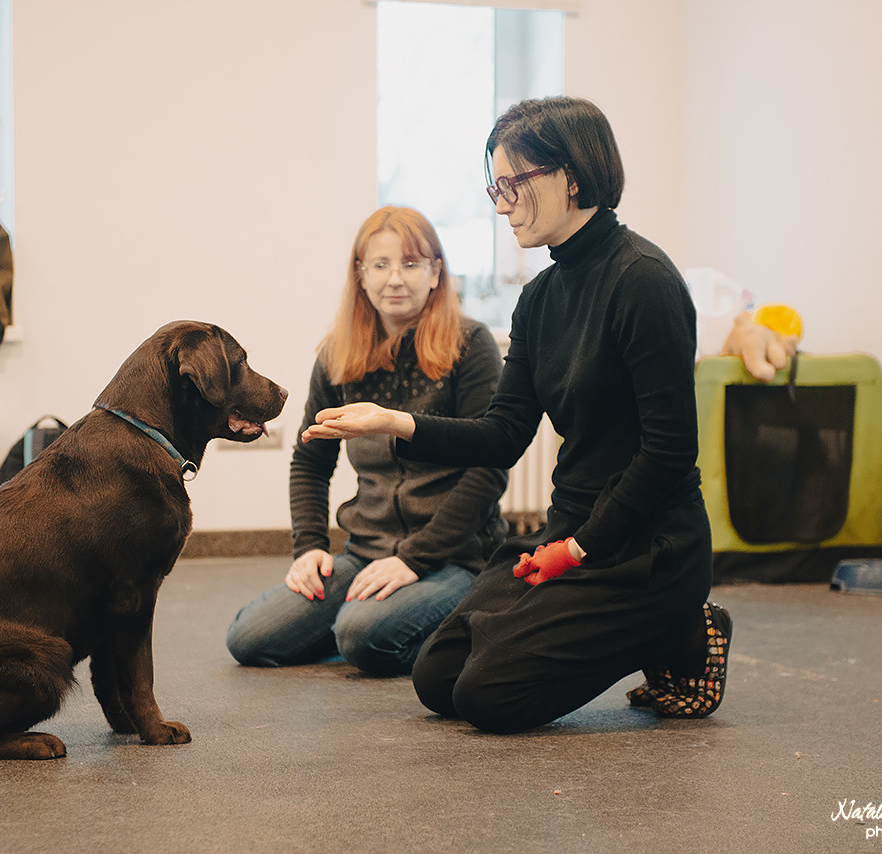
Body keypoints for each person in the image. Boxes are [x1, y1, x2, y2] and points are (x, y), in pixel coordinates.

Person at [302, 97, 733, 733]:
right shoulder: (539, 297)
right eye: (495, 186)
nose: (501, 204)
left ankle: (677, 629)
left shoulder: (644, 281)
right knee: (438, 677)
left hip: (646, 548)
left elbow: (668, 454)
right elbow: (503, 434)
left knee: (488, 696)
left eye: (513, 184)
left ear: (573, 176)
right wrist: (394, 422)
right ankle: (644, 627)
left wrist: (580, 548)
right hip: (567, 534)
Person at [226, 206, 508, 676]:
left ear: (436, 272)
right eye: (380, 265)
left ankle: (458, 626)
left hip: (455, 558)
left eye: (411, 264)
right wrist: (311, 547)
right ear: (360, 274)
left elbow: (489, 468)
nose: (394, 279)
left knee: (362, 636)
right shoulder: (338, 355)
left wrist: (414, 561)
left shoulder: (471, 344)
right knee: (249, 638)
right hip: (365, 552)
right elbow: (310, 460)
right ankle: (366, 625)